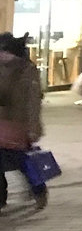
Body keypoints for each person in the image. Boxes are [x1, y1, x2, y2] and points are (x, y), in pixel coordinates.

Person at [0, 31, 48, 212]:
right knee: (12, 162)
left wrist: (33, 127)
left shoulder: (24, 71)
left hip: (17, 125)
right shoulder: (11, 68)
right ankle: (3, 198)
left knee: (22, 162)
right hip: (8, 123)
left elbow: (32, 101)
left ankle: (38, 190)